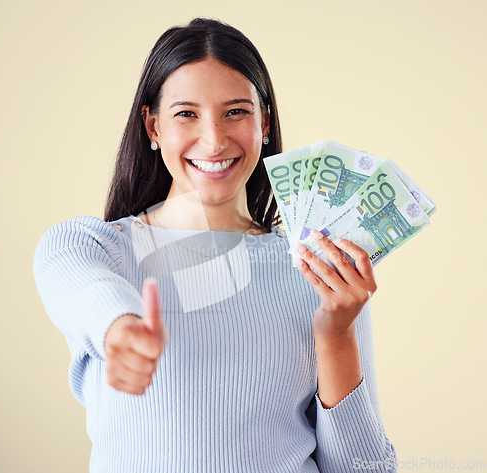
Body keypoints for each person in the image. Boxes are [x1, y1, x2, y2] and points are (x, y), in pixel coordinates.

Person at [33, 17, 397, 473]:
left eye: (236, 112)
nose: (214, 139)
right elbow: (75, 280)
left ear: (264, 122)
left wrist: (336, 335)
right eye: (186, 113)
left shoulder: (318, 270)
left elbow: (362, 469)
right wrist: (122, 330)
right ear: (152, 127)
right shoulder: (100, 249)